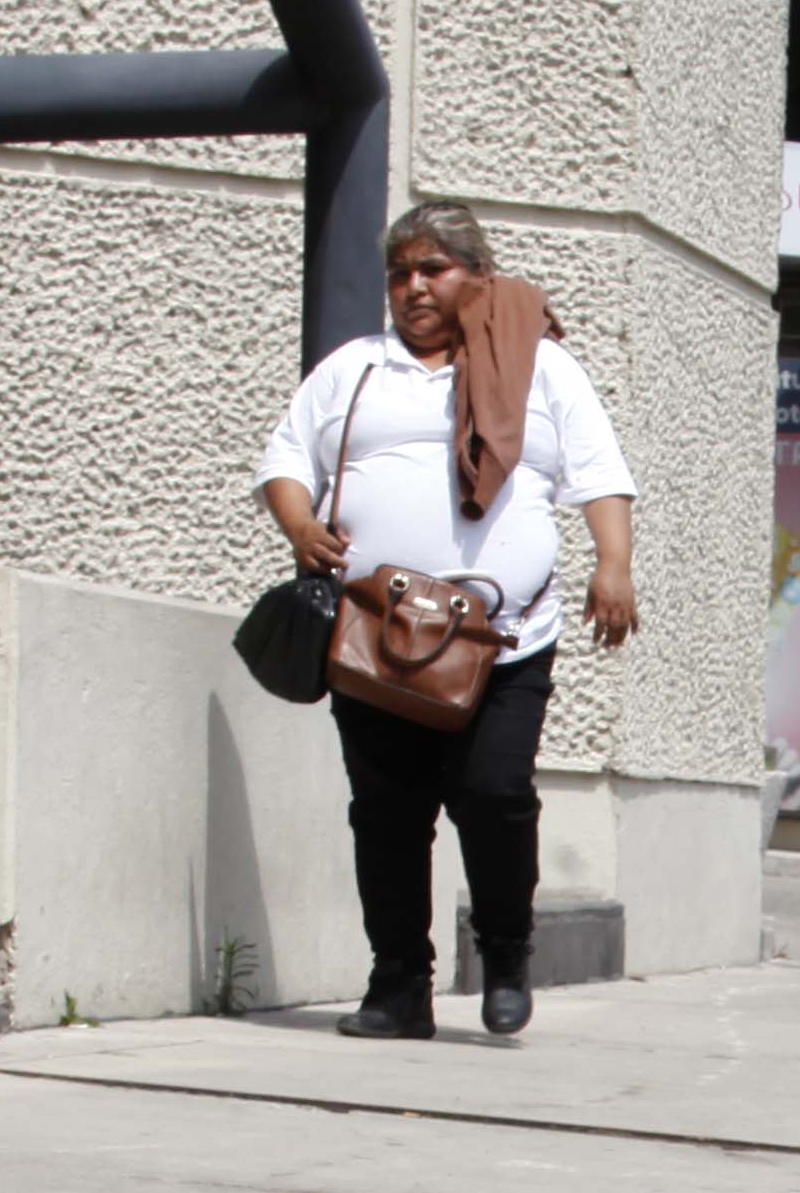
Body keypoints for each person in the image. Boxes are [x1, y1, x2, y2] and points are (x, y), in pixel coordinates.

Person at [255, 203, 642, 1039]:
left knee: (493, 794)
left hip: (503, 642)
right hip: (375, 639)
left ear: (478, 277)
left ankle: (504, 952)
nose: (414, 287)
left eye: (433, 269)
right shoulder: (356, 369)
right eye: (400, 273)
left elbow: (598, 471)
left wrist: (612, 564)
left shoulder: (541, 368)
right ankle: (398, 988)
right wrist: (299, 524)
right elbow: (286, 458)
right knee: (386, 814)